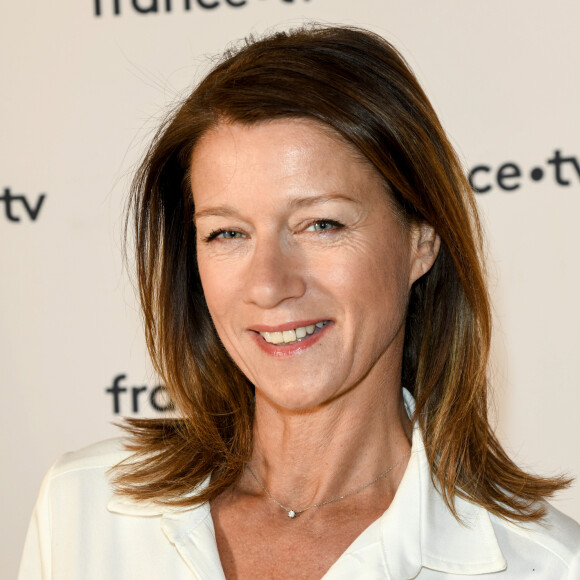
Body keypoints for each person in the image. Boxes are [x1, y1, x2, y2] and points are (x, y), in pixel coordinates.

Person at [19, 25, 580, 579]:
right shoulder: (83, 513)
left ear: (421, 240)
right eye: (227, 234)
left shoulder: (546, 566)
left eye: (321, 224)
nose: (269, 285)